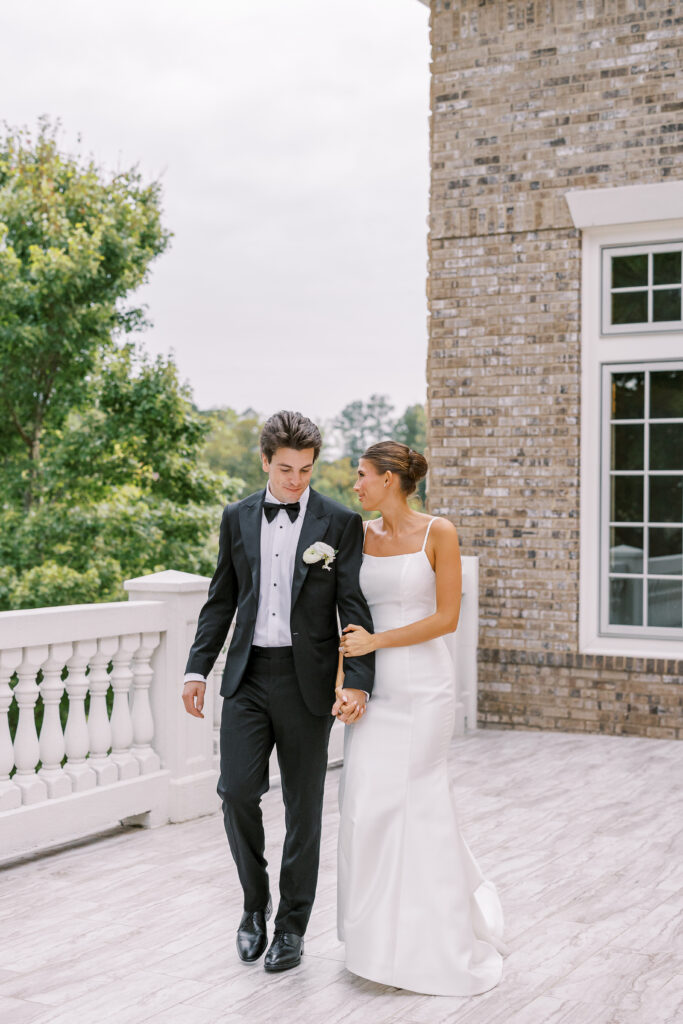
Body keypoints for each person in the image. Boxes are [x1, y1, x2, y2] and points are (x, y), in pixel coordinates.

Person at [182, 410, 374, 973]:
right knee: (236, 792)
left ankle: (292, 927)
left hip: (306, 682)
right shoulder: (236, 516)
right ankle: (253, 907)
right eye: (286, 469)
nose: (296, 481)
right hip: (245, 678)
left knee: (304, 810)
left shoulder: (339, 523)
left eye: (306, 470)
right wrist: (197, 669)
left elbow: (352, 606)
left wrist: (358, 681)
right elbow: (221, 599)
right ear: (265, 461)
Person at [336, 440, 508, 996]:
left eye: (362, 475)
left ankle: (432, 942)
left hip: (425, 687)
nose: (355, 485)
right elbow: (343, 613)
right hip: (373, 688)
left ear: (389, 479)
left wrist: (376, 642)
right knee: (365, 804)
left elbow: (447, 617)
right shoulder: (357, 536)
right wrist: (347, 677)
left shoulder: (441, 532)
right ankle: (373, 941)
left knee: (418, 803)